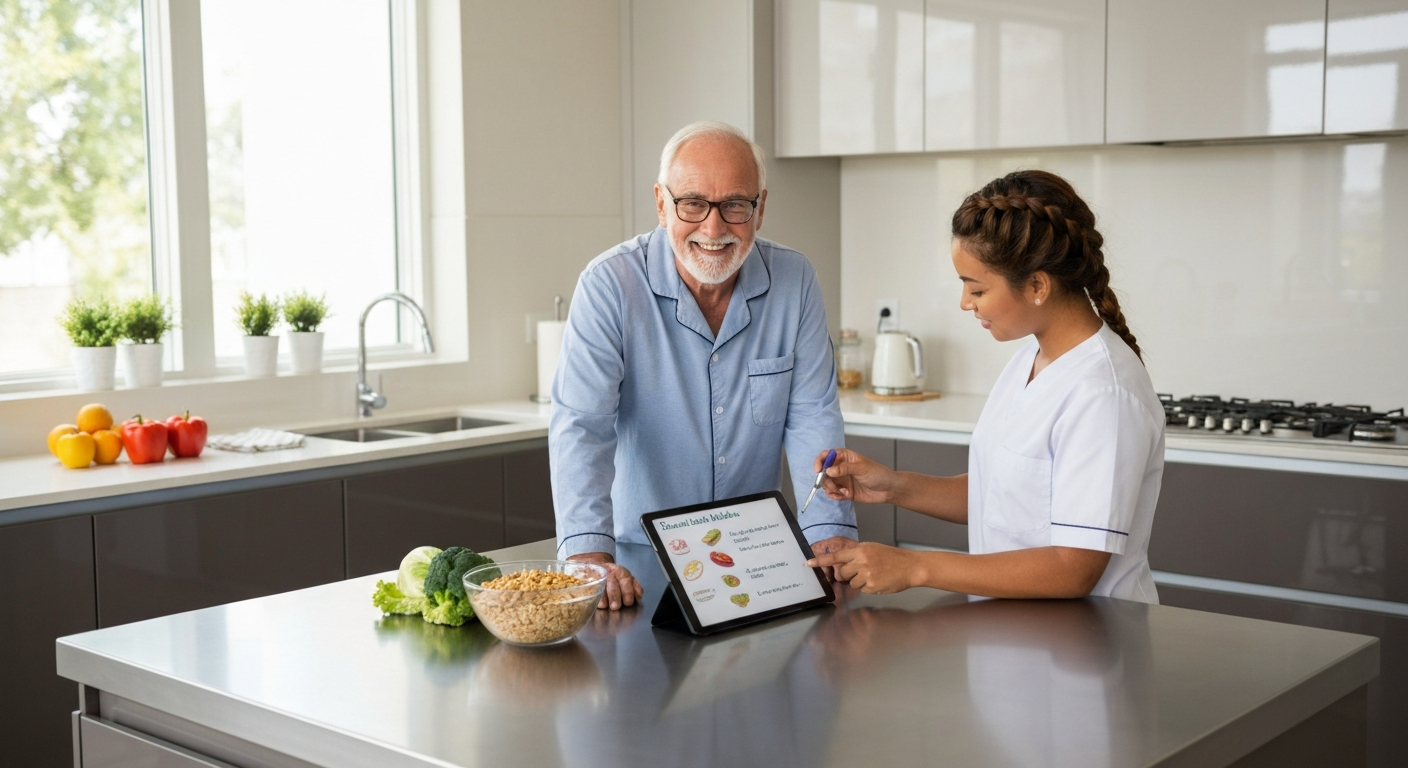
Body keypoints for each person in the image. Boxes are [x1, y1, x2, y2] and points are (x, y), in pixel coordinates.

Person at [808, 170, 1164, 603]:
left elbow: (1074, 570)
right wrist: (892, 486)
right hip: (1020, 640)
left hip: (1084, 650)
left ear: (1037, 285)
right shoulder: (1028, 361)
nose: (965, 303)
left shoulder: (1103, 394)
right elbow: (1004, 496)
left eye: (976, 288)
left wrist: (915, 565)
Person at [551, 121, 857, 610]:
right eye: (692, 203)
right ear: (660, 203)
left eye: (735, 205)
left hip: (757, 563)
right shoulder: (610, 284)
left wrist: (829, 533)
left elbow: (812, 418)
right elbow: (582, 426)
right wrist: (589, 553)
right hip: (640, 565)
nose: (713, 230)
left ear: (760, 206)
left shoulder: (795, 279)